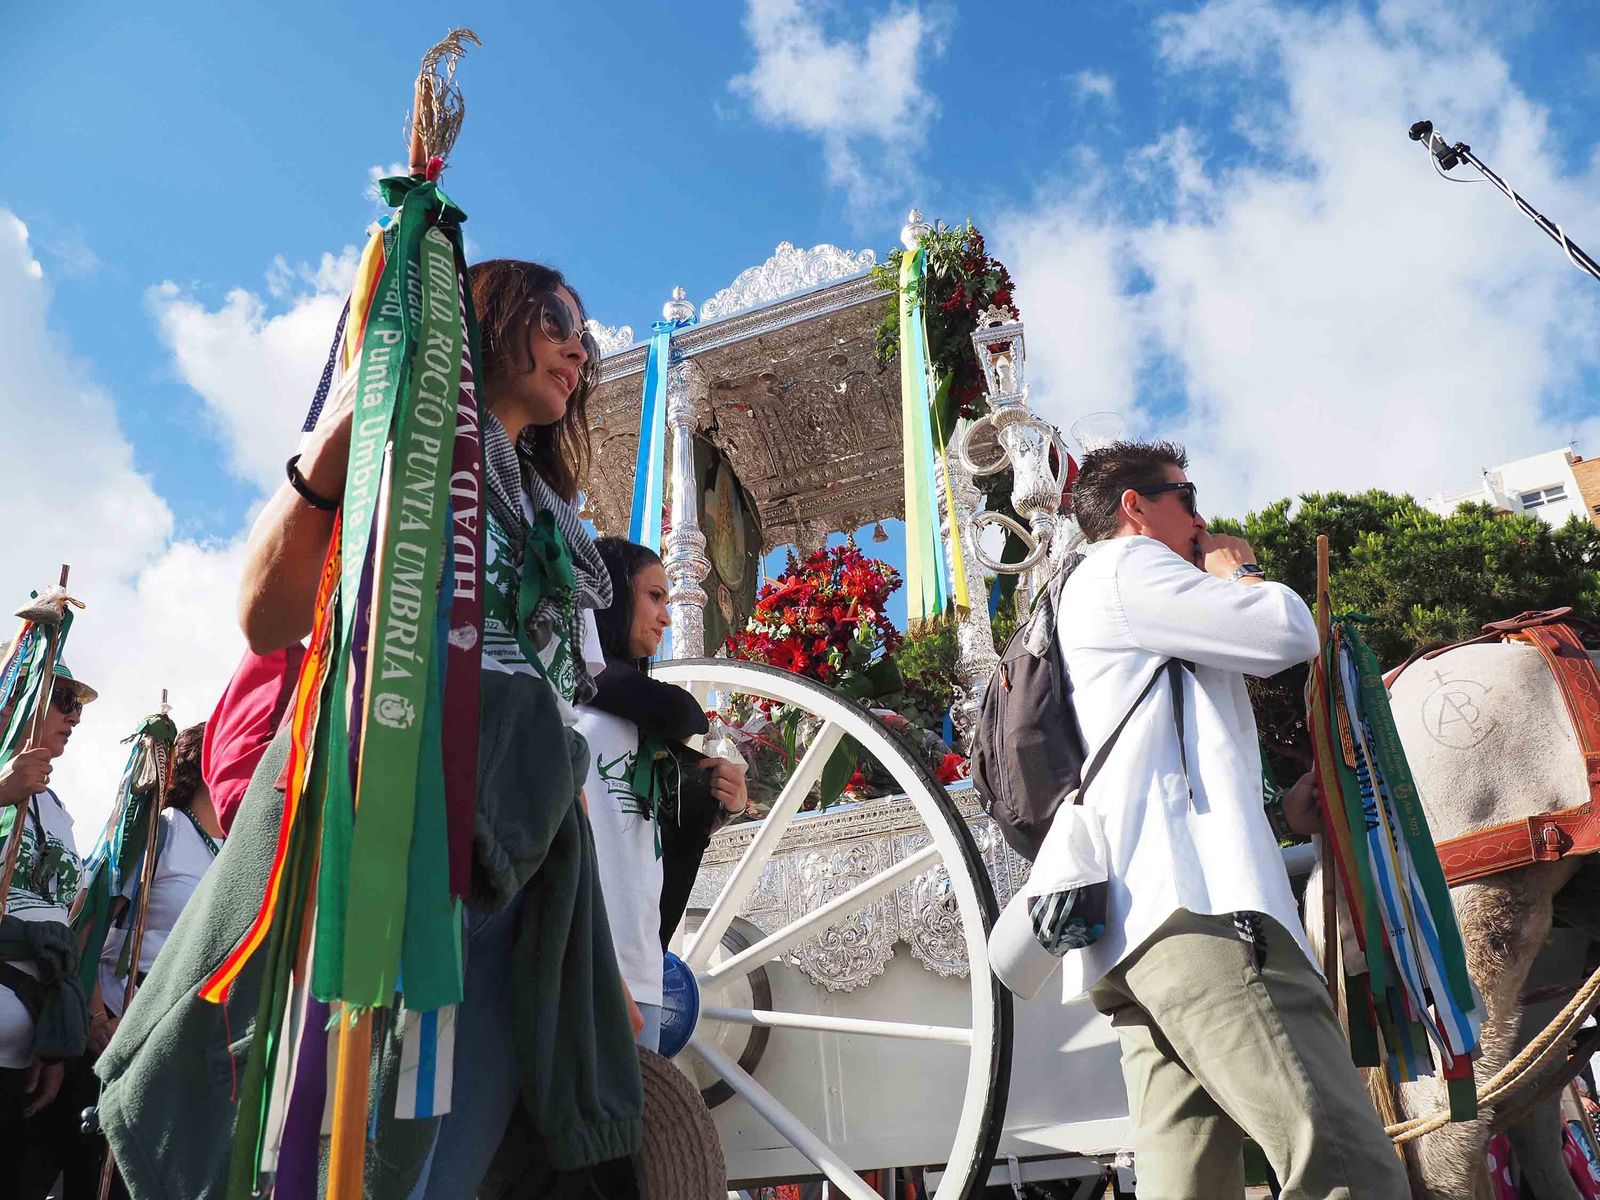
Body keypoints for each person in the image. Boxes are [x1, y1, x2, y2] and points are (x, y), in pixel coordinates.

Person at [94, 260, 643, 1200]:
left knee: (445, 1170)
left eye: (585, 336)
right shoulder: (408, 443)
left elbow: (561, 732)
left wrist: (597, 946)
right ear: (489, 316)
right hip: (383, 832)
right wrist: (344, 433)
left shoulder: (565, 531)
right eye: (556, 318)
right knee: (319, 1151)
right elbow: (265, 619)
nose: (577, 348)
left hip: (519, 873)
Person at [1056, 440, 1408, 1199]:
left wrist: (1277, 814)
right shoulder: (1126, 565)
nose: (1201, 520)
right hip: (1207, 919)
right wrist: (1240, 571)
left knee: (1188, 1184)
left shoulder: (1103, 595)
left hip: (1141, 936)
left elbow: (1168, 759)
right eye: (1186, 497)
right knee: (1345, 1165)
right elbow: (1287, 632)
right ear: (1134, 507)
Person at [25, 722, 223, 1200]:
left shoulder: (230, 851)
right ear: (207, 764)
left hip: (175, 1041)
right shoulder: (161, 831)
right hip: (117, 1029)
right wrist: (96, 1018)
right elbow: (90, 926)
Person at [579, 538, 749, 1051]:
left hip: (644, 968)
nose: (666, 618)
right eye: (654, 596)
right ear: (610, 593)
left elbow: (658, 834)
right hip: (579, 965)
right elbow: (680, 713)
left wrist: (724, 799)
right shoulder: (567, 701)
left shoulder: (644, 723)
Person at [0, 661, 93, 1184]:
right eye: (63, 700)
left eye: (78, 706)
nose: (75, 716)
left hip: (24, 1058)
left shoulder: (58, 810)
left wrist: (56, 1036)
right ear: (20, 694)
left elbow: (62, 924)